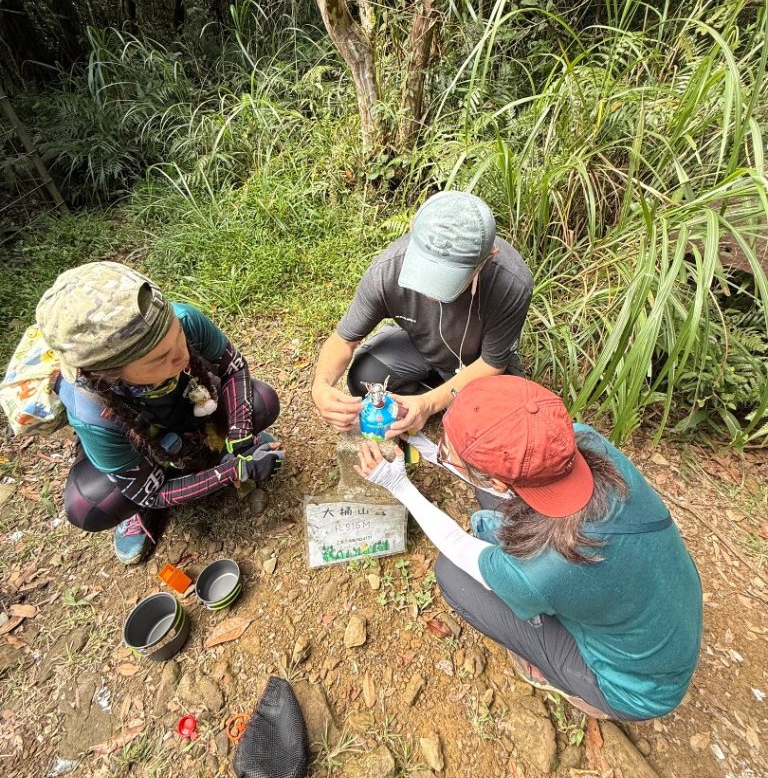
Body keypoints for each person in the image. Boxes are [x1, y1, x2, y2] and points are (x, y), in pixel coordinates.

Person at [355, 376, 703, 720]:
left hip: (638, 687)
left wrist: (398, 485)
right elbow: (504, 483)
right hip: (664, 609)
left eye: (447, 450)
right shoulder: (581, 441)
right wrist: (427, 448)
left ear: (497, 480)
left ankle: (575, 685)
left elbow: (457, 546)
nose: (442, 450)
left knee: (452, 575)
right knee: (492, 503)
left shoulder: (543, 566)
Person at [35, 261, 284, 565]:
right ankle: (141, 511)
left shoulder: (183, 318)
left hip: (185, 407)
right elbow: (151, 493)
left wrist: (240, 437)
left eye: (177, 335)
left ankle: (215, 448)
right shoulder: (92, 411)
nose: (181, 355)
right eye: (159, 358)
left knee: (261, 402)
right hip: (139, 443)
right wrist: (231, 472)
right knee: (91, 504)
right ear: (110, 375)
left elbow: (234, 369)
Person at [311, 191, 533, 438]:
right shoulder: (386, 272)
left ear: (487, 258)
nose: (431, 293)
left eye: (449, 277)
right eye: (424, 269)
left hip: (478, 362)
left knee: (507, 425)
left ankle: (440, 397)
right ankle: (441, 394)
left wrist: (428, 403)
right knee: (365, 376)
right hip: (421, 348)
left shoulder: (511, 283)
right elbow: (343, 340)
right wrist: (320, 386)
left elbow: (491, 364)